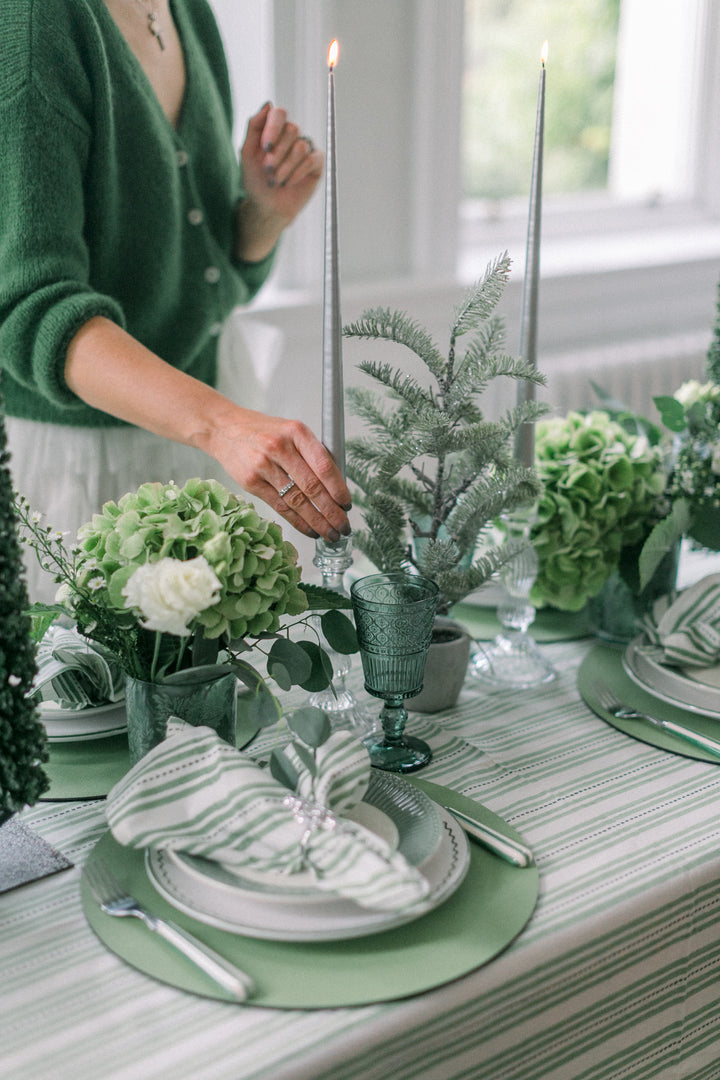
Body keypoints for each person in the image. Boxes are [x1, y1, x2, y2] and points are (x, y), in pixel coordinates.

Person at [1, 0, 352, 601]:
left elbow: (209, 282)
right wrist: (225, 427)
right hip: (85, 468)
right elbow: (29, 309)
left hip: (200, 441)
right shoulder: (33, 25)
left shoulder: (184, 9)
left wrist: (264, 214)